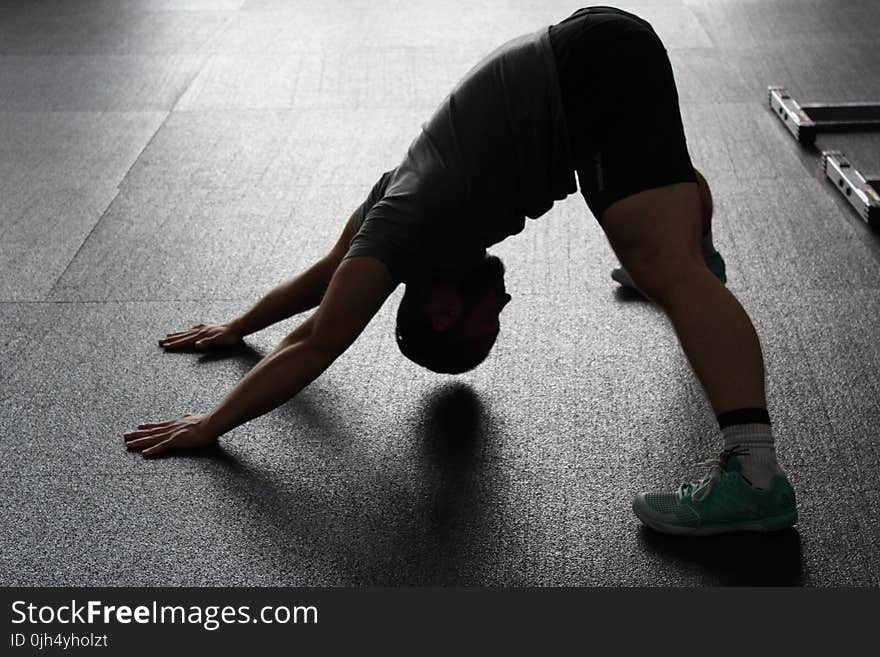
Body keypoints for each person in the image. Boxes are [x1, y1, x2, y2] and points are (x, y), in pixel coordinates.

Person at [124, 7, 797, 536]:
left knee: (667, 269)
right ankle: (691, 252)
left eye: (488, 322)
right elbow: (324, 273)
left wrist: (213, 422)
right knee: (645, 229)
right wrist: (239, 327)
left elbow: (318, 336)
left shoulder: (407, 225)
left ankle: (756, 474)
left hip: (587, 75)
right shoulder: (397, 209)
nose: (503, 303)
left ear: (441, 310)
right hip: (592, 59)